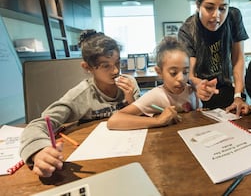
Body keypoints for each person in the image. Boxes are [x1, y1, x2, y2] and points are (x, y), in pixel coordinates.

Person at [19, 29, 140, 177]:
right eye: (105, 66)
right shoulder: (80, 96)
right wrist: (38, 151)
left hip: (131, 154)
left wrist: (130, 99)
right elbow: (37, 125)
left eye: (117, 62)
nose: (115, 70)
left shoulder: (129, 83)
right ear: (87, 67)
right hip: (94, 161)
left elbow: (143, 115)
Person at [178, 0, 250, 115]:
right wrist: (198, 84)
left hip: (228, 89)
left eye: (222, 8)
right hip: (199, 92)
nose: (216, 15)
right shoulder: (188, 29)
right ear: (198, 5)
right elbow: (190, 74)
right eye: (209, 8)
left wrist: (238, 96)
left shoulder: (234, 16)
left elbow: (238, 59)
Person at [107, 36, 201, 130]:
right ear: (159, 72)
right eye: (173, 73)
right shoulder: (155, 95)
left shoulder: (191, 91)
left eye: (185, 72)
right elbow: (114, 120)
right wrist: (158, 121)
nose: (181, 78)